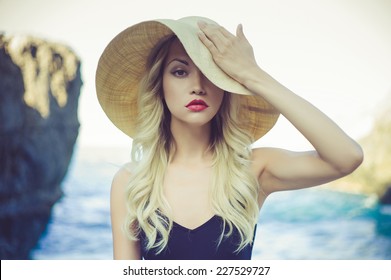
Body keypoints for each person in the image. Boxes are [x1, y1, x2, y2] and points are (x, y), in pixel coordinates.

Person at [95, 16, 363, 260]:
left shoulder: (253, 168)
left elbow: (346, 157)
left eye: (211, 72)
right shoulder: (132, 182)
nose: (198, 86)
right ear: (159, 86)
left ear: (226, 85)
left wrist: (251, 74)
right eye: (180, 71)